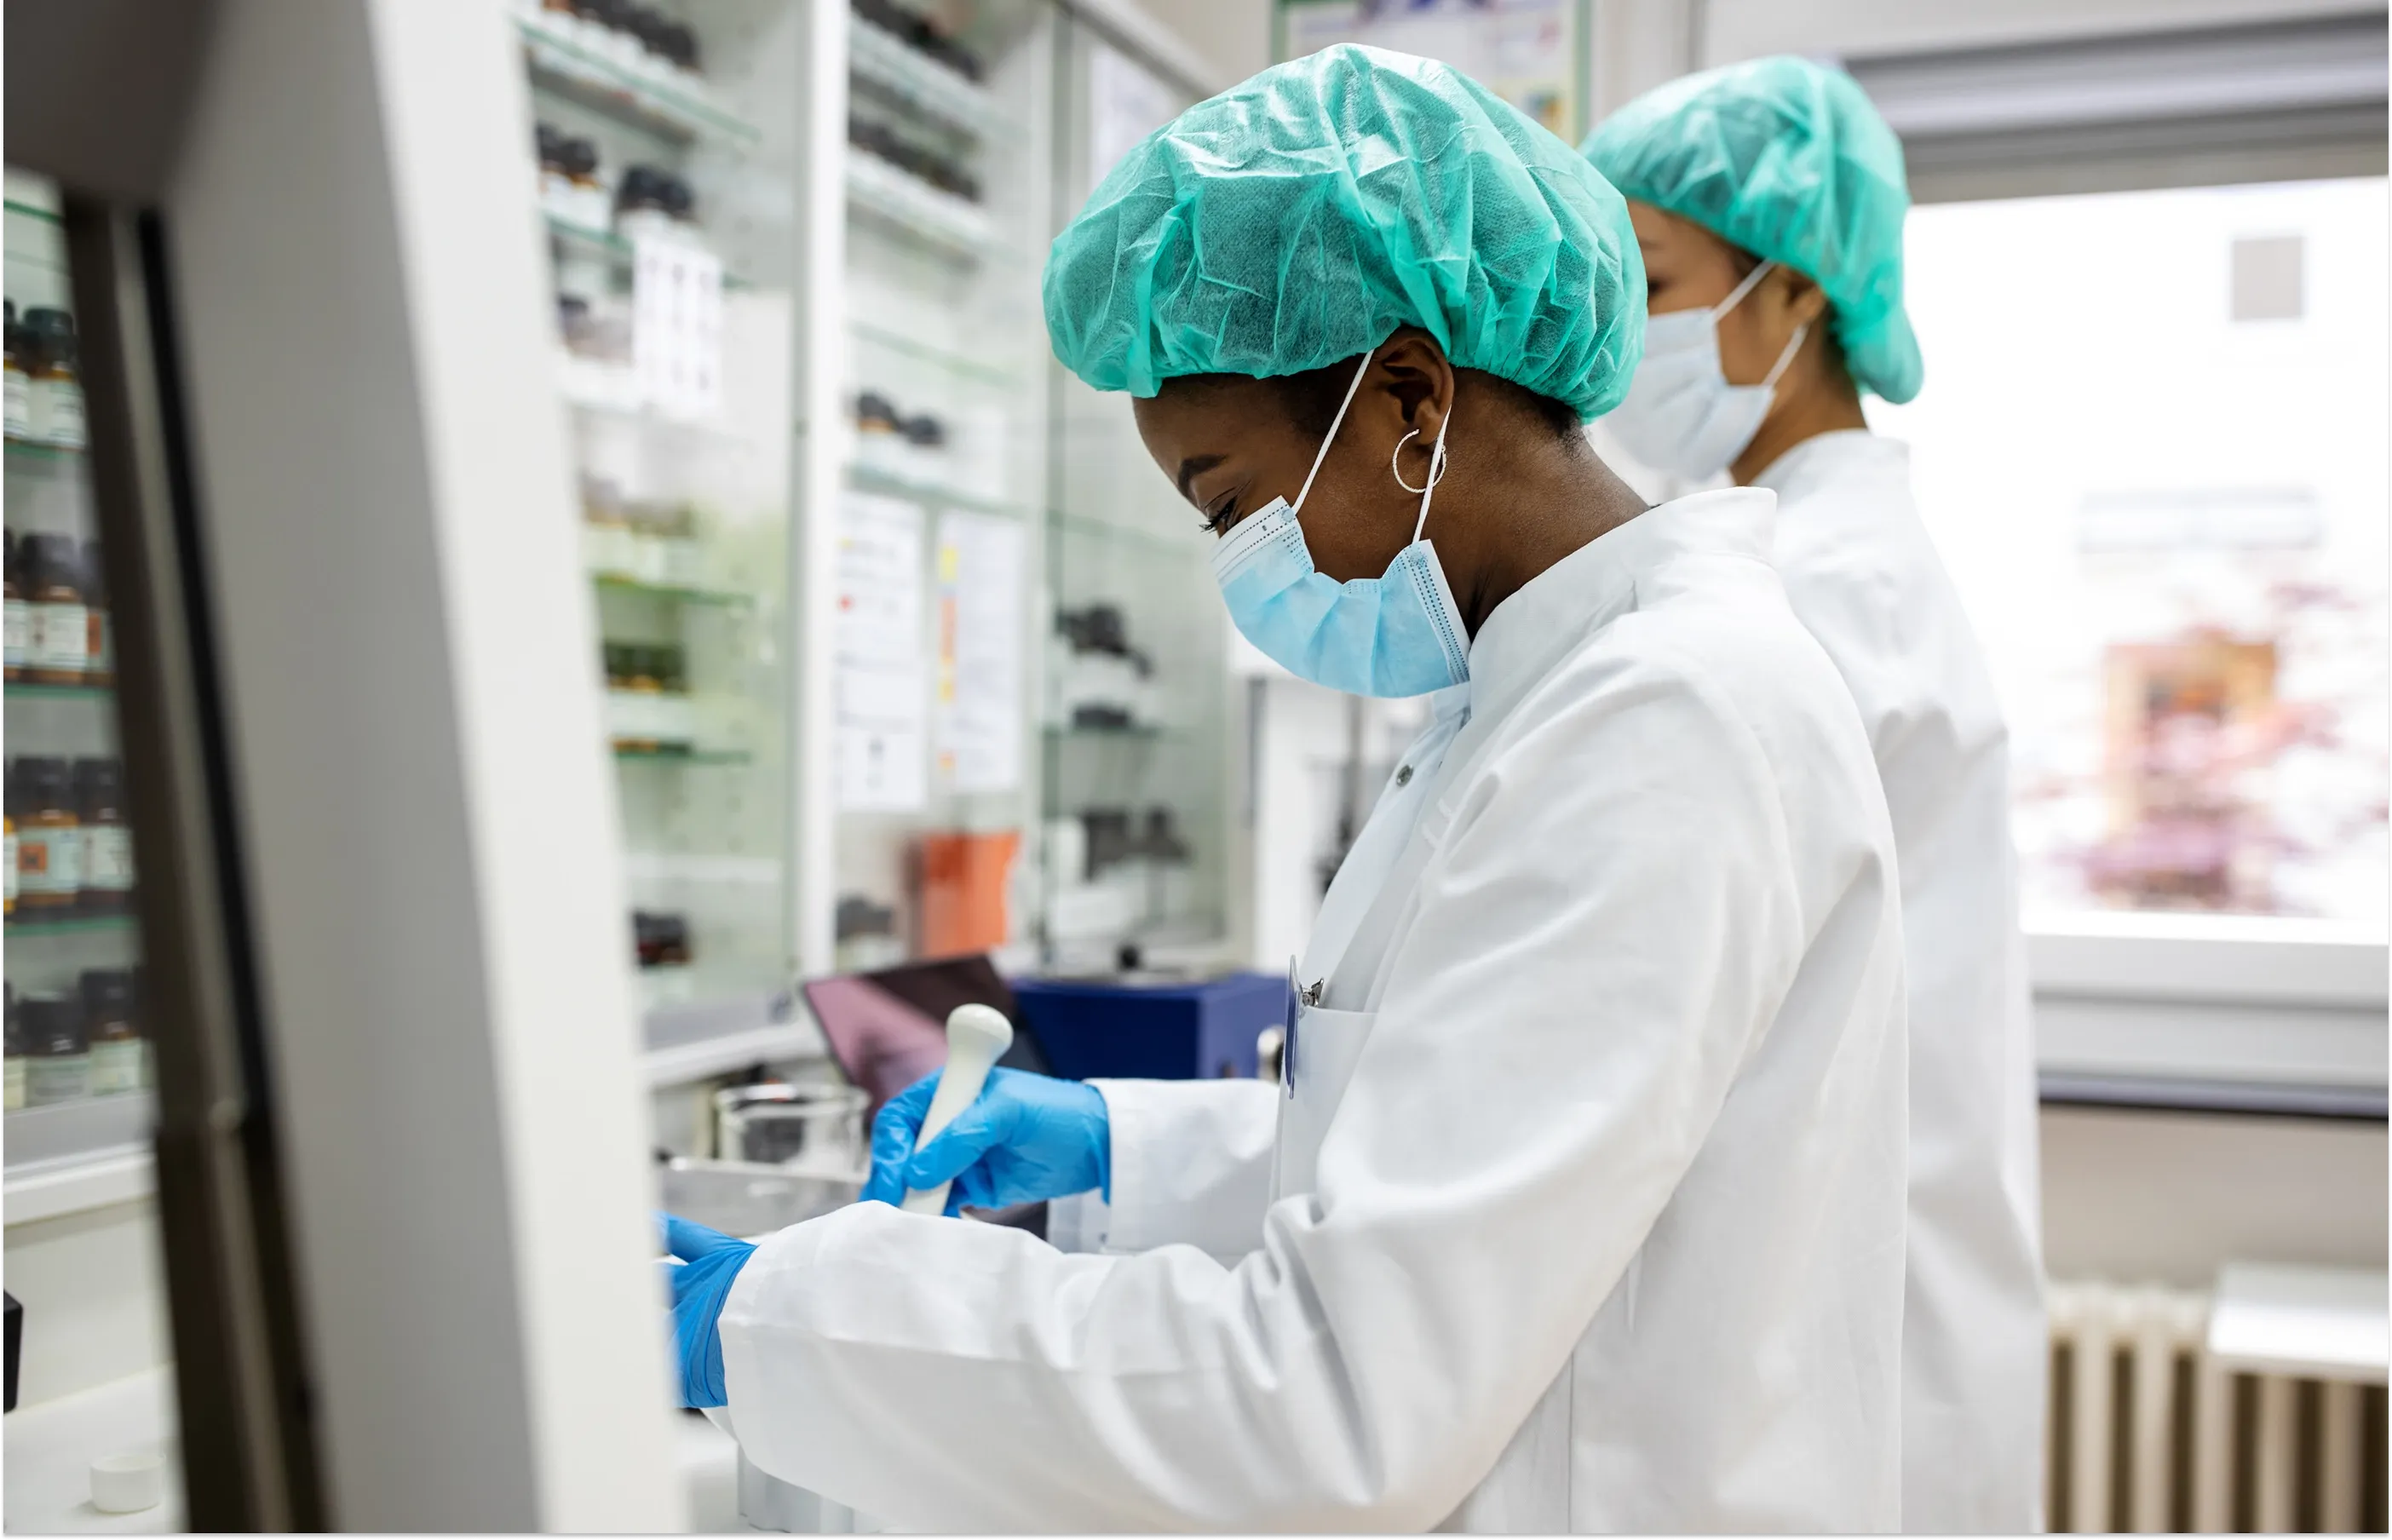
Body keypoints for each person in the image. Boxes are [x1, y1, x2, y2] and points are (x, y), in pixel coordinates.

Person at [661, 45, 1909, 1530]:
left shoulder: (1660, 725)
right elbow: (1453, 1147)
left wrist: (793, 1320)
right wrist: (1124, 1145)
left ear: (1408, 397)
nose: (1243, 564)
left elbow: (1334, 1404)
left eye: (1233, 501)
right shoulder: (1534, 698)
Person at [1582, 55, 2047, 1532]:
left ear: (1792, 299)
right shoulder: (1790, 560)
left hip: (1848, 1342)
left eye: (1650, 282)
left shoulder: (1826, 593)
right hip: (1855, 1314)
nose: (1614, 341)